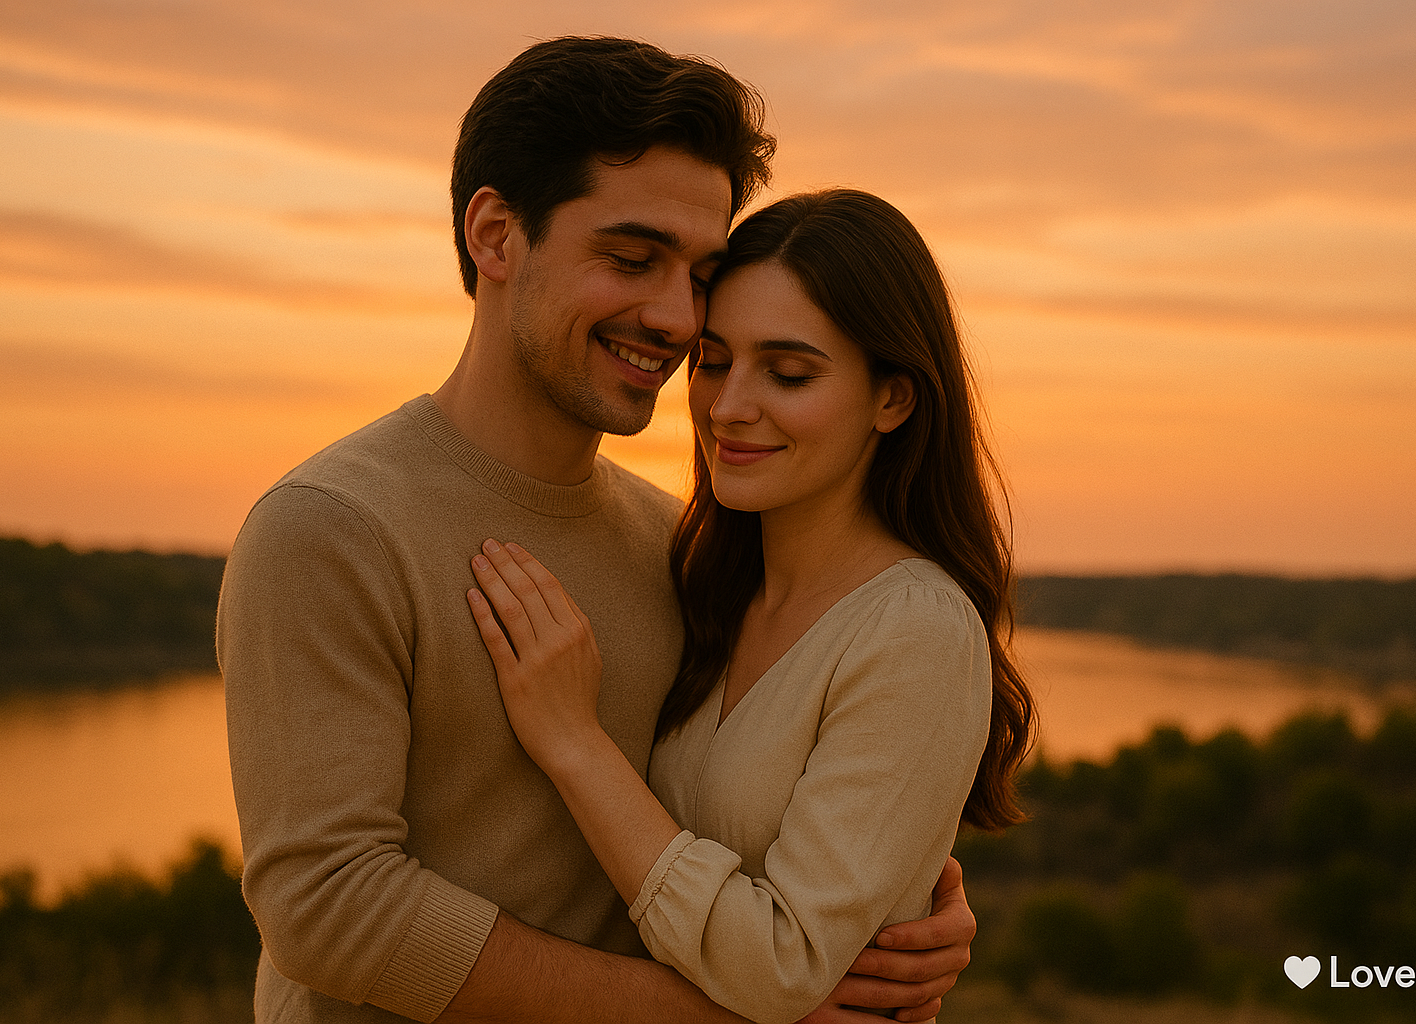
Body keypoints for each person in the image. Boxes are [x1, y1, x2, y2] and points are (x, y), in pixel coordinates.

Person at [217, 37, 974, 1024]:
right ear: (495, 236)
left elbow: (734, 828)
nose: (674, 317)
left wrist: (899, 897)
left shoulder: (683, 548)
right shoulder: (331, 531)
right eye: (631, 258)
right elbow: (329, 908)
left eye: (699, 273)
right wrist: (735, 1016)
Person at [463, 189, 1035, 1023]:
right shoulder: (703, 583)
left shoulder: (917, 630)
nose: (728, 407)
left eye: (789, 374)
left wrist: (575, 743)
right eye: (713, 360)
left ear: (894, 399)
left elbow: (783, 964)